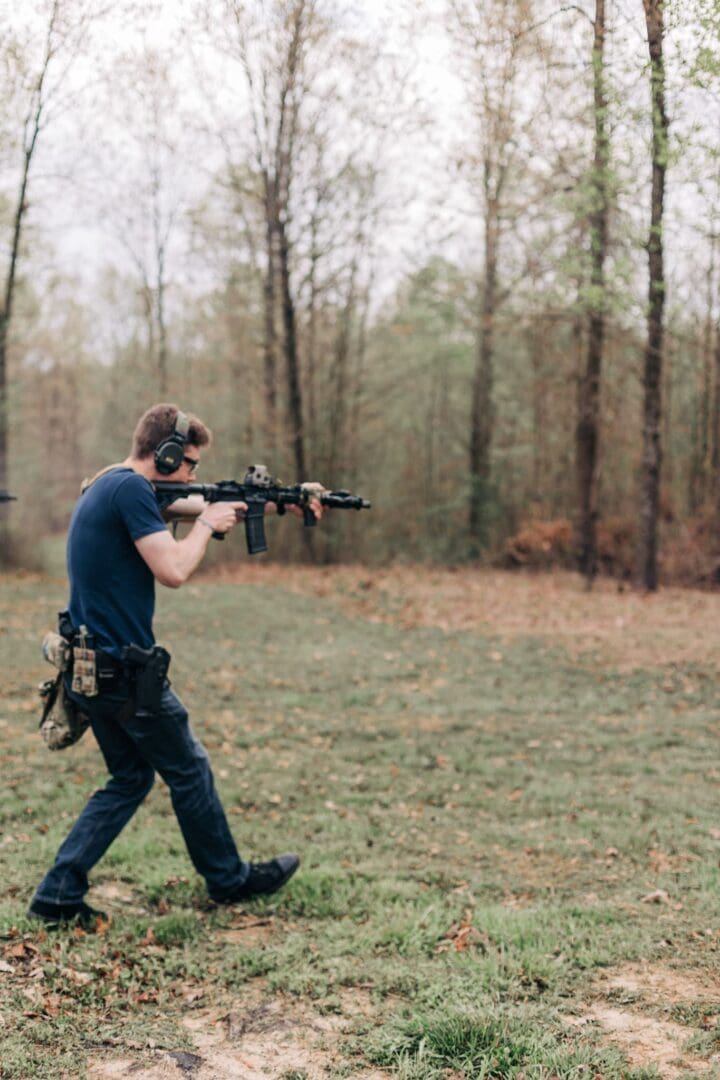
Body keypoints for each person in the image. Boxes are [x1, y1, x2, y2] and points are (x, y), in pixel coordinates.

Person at [29, 403, 321, 928]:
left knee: (129, 778)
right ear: (164, 455)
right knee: (188, 768)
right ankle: (229, 880)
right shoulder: (131, 491)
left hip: (92, 667)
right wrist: (207, 526)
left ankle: (57, 894)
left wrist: (283, 504)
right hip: (124, 672)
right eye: (188, 463)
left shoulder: (111, 484)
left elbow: (197, 502)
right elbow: (174, 569)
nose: (192, 475)